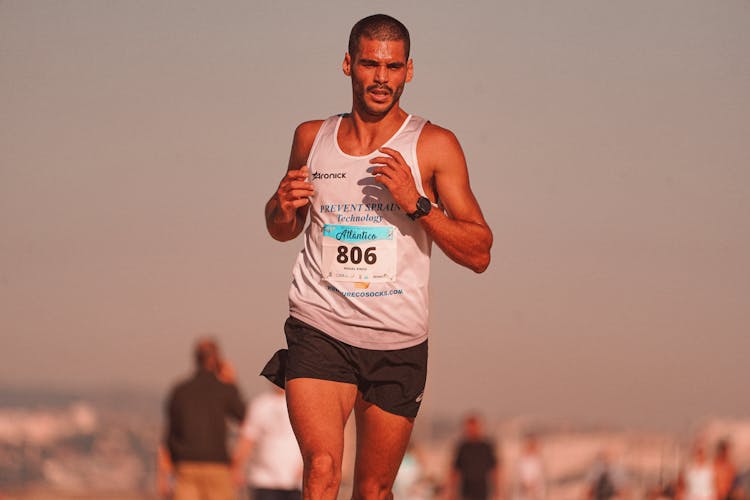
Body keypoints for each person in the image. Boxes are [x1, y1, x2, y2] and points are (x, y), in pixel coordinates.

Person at [262, 13, 492, 500]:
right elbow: (282, 229)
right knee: (322, 470)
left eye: (393, 67)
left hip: (397, 341)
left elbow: (479, 252)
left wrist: (418, 204)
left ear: (409, 71)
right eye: (370, 64)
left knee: (373, 489)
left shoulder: (433, 145)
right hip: (319, 327)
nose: (381, 78)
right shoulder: (311, 137)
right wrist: (280, 206)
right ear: (349, 65)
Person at [157, 338, 246, 500]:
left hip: (185, 466)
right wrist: (233, 381)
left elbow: (169, 435)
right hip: (217, 466)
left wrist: (162, 476)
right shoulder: (225, 390)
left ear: (195, 359)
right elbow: (246, 418)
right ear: (217, 360)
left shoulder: (180, 390)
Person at [232, 384, 303, 500]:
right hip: (263, 480)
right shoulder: (259, 404)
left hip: (296, 482)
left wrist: (307, 466)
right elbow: (247, 439)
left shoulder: (304, 405)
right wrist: (237, 467)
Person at [448, 413, 502, 500]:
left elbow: (495, 469)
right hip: (466, 490)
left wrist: (498, 490)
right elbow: (455, 470)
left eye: (474, 427)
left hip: (483, 490)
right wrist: (451, 491)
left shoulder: (486, 447)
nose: (471, 430)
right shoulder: (462, 447)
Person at [513, 434, 546, 500]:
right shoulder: (522, 460)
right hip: (524, 491)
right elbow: (521, 476)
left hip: (535, 492)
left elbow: (539, 476)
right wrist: (527, 486)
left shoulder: (538, 460)